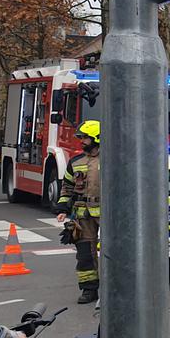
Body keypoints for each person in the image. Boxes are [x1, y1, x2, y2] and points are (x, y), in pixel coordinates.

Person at [55, 120, 102, 304]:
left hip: (110, 215)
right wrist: (62, 208)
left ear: (96, 138)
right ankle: (89, 290)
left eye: (85, 137)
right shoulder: (76, 162)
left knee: (114, 253)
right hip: (83, 215)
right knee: (84, 254)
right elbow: (67, 186)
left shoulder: (114, 159)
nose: (81, 141)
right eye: (81, 137)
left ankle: (116, 288)